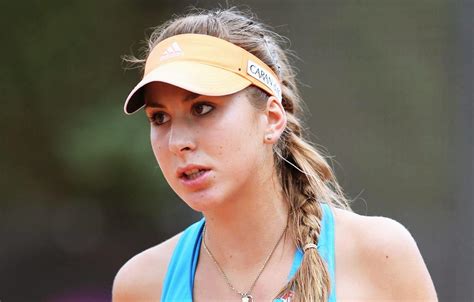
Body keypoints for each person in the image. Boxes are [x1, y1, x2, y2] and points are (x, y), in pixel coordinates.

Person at [112, 7, 437, 302]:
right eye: (160, 118)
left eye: (203, 108)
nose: (176, 142)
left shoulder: (379, 255)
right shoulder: (141, 284)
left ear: (271, 118)